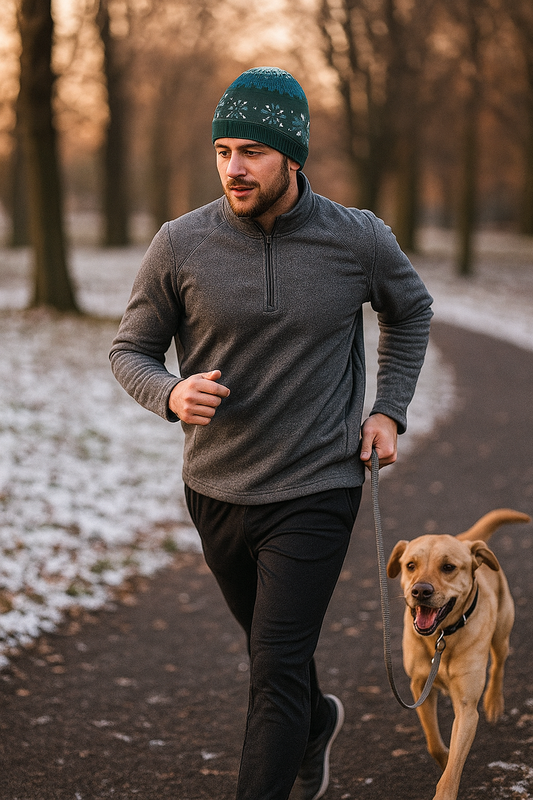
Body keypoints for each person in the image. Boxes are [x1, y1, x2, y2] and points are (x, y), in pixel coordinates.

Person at [110, 66, 433, 800]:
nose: (234, 168)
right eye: (223, 150)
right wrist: (168, 393)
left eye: (251, 151)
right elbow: (129, 350)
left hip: (318, 484)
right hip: (216, 488)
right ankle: (316, 721)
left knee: (274, 672)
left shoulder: (358, 239)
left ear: (293, 156)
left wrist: (387, 409)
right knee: (275, 658)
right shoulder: (180, 244)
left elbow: (409, 312)